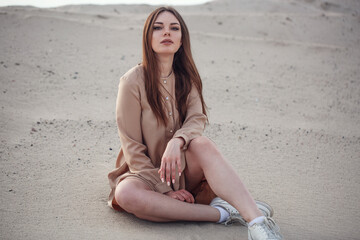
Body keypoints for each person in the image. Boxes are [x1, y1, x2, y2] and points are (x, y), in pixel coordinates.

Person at [107, 6, 283, 240]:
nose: (166, 33)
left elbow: (196, 118)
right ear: (148, 37)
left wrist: (177, 142)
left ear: (181, 40)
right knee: (126, 194)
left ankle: (257, 222)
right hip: (144, 174)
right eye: (158, 28)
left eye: (174, 28)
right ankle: (222, 213)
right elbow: (132, 148)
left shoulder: (187, 78)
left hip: (181, 169)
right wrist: (163, 191)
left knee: (202, 144)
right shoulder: (131, 82)